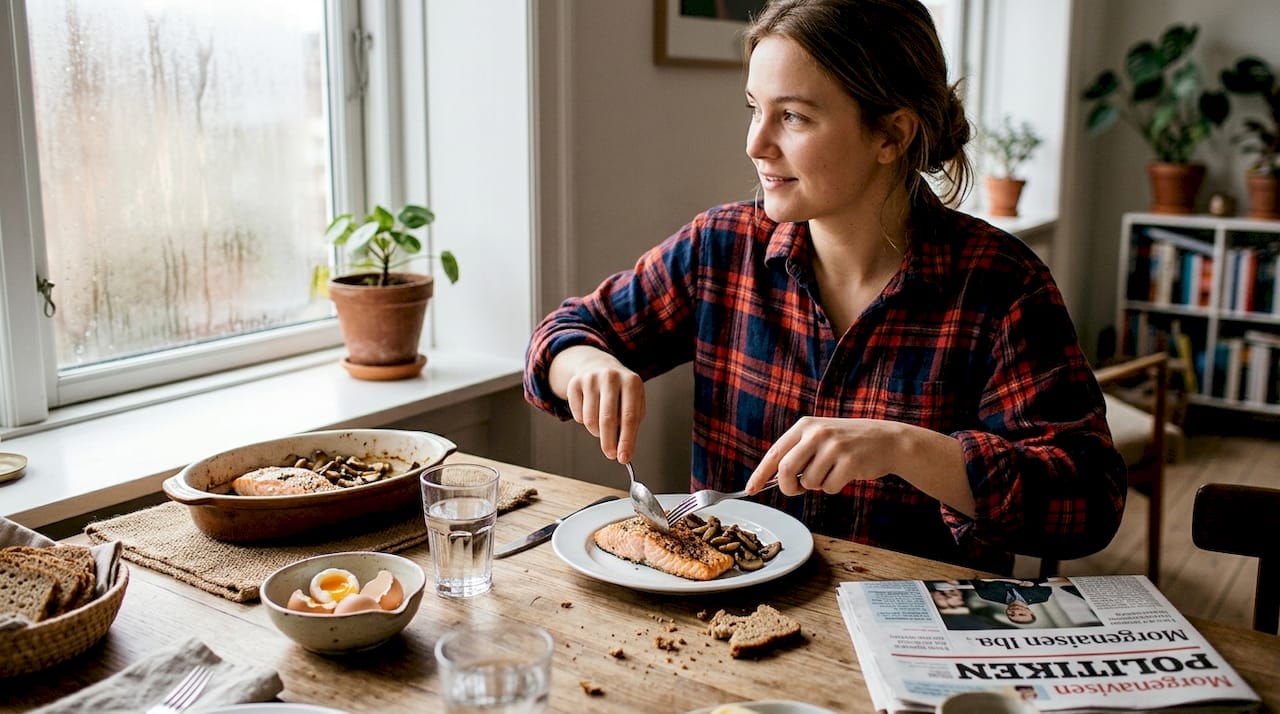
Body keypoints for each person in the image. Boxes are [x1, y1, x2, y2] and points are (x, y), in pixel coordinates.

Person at [523, 0, 1125, 574]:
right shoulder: (720, 248)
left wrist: (907, 449)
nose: (756, 144)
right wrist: (582, 365)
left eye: (793, 117)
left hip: (916, 638)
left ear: (891, 135)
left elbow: (1089, 500)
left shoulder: (1001, 285)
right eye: (754, 108)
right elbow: (559, 338)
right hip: (723, 626)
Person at [971, 578, 1053, 624]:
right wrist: (1032, 584)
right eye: (1021, 614)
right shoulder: (1042, 596)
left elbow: (976, 578)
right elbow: (1044, 577)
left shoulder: (986, 595)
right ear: (1031, 612)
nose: (1015, 611)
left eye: (1011, 615)